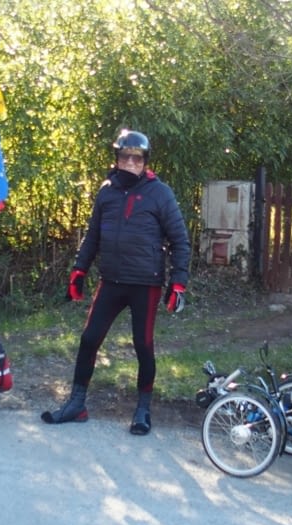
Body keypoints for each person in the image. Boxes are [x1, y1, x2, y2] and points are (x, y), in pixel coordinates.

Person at [41, 129, 191, 435]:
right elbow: (93, 236)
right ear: (117, 159)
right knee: (89, 339)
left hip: (145, 283)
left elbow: (180, 240)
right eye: (125, 157)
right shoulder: (106, 192)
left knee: (142, 345)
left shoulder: (160, 193)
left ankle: (142, 410)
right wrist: (79, 271)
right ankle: (77, 404)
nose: (131, 163)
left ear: (145, 161)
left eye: (137, 158)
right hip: (111, 280)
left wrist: (178, 283)